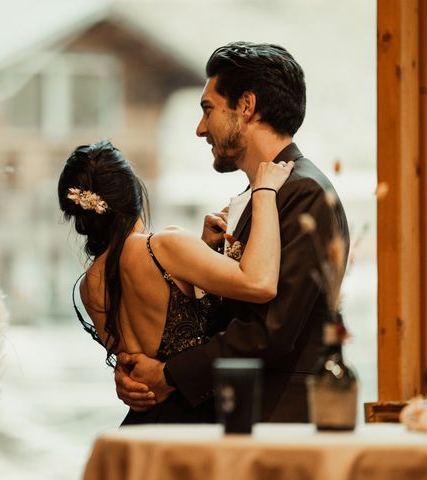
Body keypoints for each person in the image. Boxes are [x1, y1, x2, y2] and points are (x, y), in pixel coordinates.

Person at [115, 41, 350, 423]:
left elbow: (271, 330)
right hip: (237, 410)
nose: (200, 128)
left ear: (246, 106)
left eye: (208, 109)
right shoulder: (258, 194)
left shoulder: (304, 193)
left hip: (276, 418)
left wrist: (170, 376)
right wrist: (141, 374)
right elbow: (225, 316)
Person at [58, 139, 293, 424]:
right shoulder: (163, 246)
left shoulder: (89, 285)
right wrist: (265, 192)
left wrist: (203, 248)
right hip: (191, 421)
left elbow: (137, 356)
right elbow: (260, 283)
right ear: (134, 192)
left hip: (140, 425)